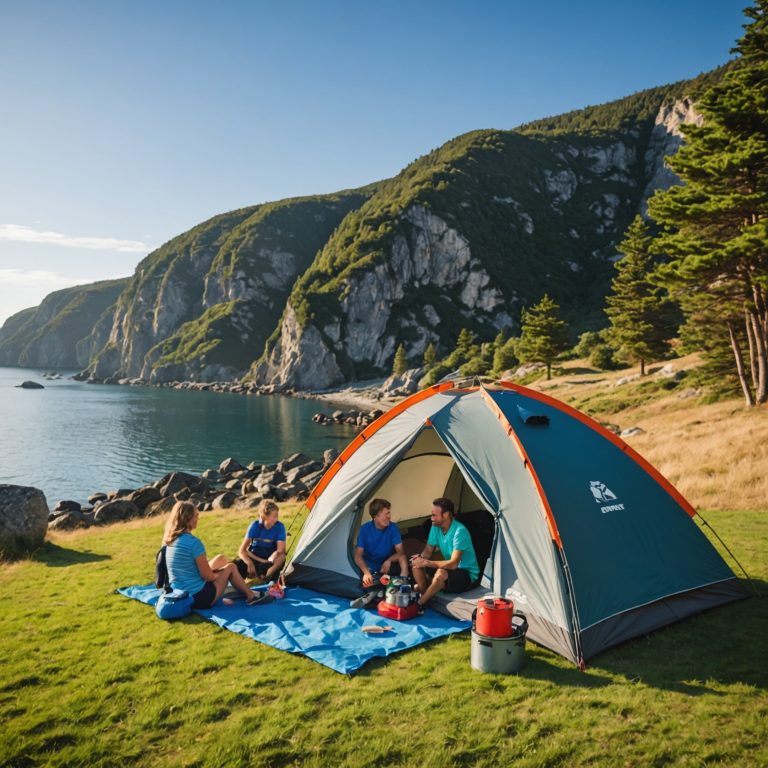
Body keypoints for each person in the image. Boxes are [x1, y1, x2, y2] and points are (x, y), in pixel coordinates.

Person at [163, 500, 265, 608]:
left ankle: (232, 594)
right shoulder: (194, 543)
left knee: (221, 560)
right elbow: (207, 576)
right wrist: (219, 576)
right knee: (230, 567)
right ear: (188, 519)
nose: (198, 518)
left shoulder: (170, 541)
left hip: (178, 594)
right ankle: (251, 597)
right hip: (198, 597)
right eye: (196, 515)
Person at [410, 497, 479, 610]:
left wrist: (427, 562)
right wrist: (419, 559)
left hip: (466, 573)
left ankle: (419, 604)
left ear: (446, 515)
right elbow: (427, 551)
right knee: (415, 565)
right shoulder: (435, 527)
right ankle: (425, 594)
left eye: (434, 515)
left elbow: (453, 564)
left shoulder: (459, 531)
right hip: (450, 570)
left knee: (440, 574)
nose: (431, 518)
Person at [354, 498, 409, 587]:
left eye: (389, 513)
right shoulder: (365, 529)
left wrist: (389, 560)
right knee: (368, 586)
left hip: (386, 565)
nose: (388, 516)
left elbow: (401, 552)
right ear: (375, 517)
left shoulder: (393, 528)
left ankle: (404, 580)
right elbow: (357, 555)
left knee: (401, 564)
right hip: (370, 566)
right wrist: (366, 573)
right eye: (385, 514)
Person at [234, 500, 286, 582]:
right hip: (254, 556)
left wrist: (268, 561)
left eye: (277, 515)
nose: (277, 519)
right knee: (236, 565)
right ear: (265, 516)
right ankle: (241, 583)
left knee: (282, 557)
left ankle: (264, 578)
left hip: (270, 558)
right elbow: (241, 551)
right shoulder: (254, 526)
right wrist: (250, 563)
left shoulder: (280, 527)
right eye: (274, 516)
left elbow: (280, 550)